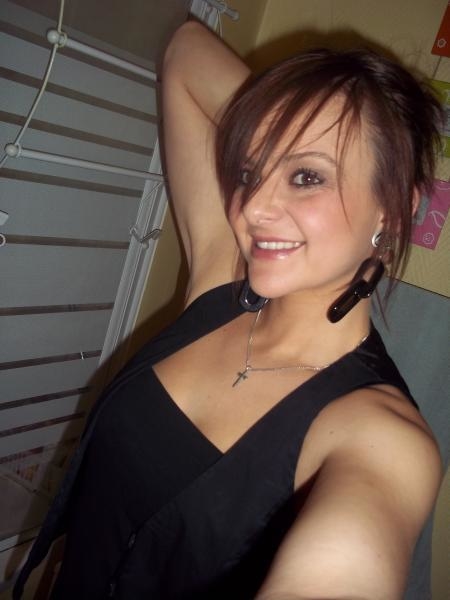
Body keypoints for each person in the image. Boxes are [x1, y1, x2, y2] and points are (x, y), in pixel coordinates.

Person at [14, 19, 443, 600]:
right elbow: (186, 48)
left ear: (394, 208)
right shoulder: (224, 286)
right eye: (249, 171)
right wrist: (286, 119)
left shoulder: (382, 437)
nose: (253, 207)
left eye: (307, 175)